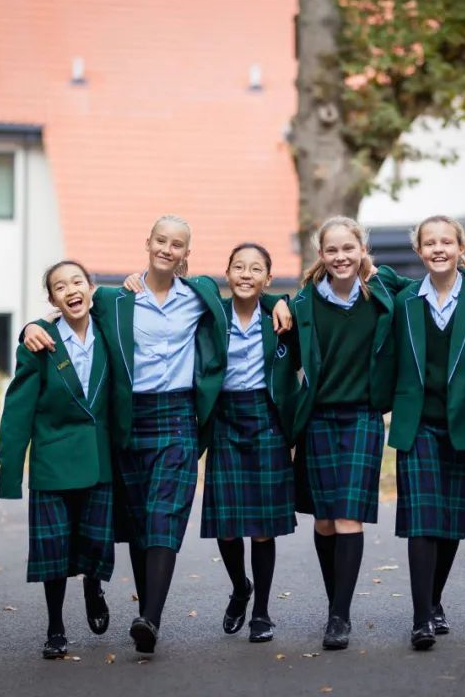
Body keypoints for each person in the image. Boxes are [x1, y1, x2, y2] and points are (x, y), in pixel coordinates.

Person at [21, 216, 291, 655]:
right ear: (147, 243)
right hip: (132, 418)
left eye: (177, 244)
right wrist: (30, 327)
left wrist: (282, 302)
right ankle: (147, 608)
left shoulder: (200, 294)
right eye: (161, 240)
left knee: (166, 513)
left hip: (179, 416)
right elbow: (70, 310)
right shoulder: (115, 297)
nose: (168, 248)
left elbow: (249, 292)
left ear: (187, 252)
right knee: (141, 520)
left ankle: (151, 617)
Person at [289, 216, 465, 650]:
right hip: (317, 420)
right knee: (325, 521)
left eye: (349, 248)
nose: (341, 257)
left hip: (365, 416)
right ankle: (335, 604)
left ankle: (339, 617)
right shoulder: (304, 302)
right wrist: (276, 301)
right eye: (332, 250)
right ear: (321, 255)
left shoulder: (385, 289)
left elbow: (442, 278)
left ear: (363, 249)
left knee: (348, 517)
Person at [387, 215, 465, 650]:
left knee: (451, 524)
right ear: (419, 251)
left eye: (447, 242)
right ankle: (422, 618)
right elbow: (368, 269)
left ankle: (435, 599)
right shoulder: (404, 298)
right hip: (417, 426)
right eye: (429, 243)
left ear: (462, 247)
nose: (438, 249)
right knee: (422, 521)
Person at [0, 260, 114, 659]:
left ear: (92, 287)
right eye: (60, 287)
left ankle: (94, 585)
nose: (71, 290)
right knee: (54, 551)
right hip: (52, 460)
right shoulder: (39, 342)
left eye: (78, 281)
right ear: (51, 299)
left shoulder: (110, 331)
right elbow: (17, 409)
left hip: (99, 457)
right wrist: (10, 473)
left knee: (96, 541)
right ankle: (55, 626)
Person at [201, 243, 299, 643]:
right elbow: (188, 283)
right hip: (224, 418)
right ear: (226, 274)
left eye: (255, 269)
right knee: (227, 526)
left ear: (268, 279)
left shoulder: (280, 318)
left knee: (262, 528)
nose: (245, 274)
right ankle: (241, 587)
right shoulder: (211, 314)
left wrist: (281, 300)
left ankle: (261, 612)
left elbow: (310, 296)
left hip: (266, 418)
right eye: (238, 267)